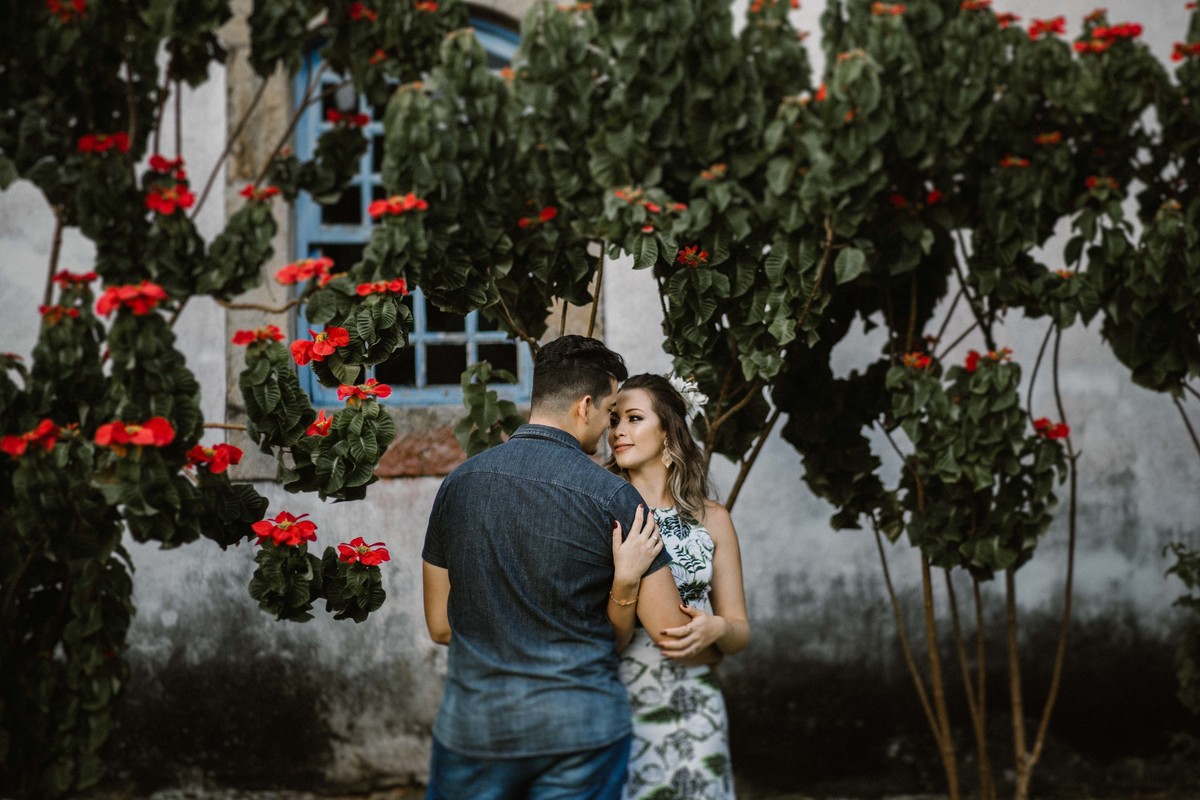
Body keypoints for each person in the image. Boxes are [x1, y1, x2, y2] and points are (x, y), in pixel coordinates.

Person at [421, 336, 693, 800]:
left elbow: (441, 627)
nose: (610, 429)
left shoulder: (458, 485)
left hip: (478, 727)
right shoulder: (614, 498)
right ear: (585, 406)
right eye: (610, 414)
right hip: (580, 730)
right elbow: (661, 629)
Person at [606, 373, 751, 800]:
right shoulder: (604, 514)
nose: (618, 431)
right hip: (623, 697)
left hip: (694, 701)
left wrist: (718, 630)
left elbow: (741, 629)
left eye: (633, 418)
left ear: (668, 432)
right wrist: (626, 581)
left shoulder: (713, 519)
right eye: (614, 420)